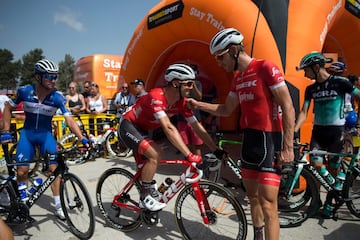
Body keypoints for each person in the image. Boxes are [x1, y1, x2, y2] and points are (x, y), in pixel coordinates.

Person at [187, 28, 295, 240]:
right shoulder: (238, 79)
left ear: (234, 50)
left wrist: (288, 147)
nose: (219, 63)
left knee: (268, 204)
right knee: (252, 198)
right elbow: (226, 110)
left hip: (269, 140)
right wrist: (197, 104)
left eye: (220, 57)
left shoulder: (265, 67)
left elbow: (288, 105)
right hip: (249, 141)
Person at [118, 63, 223, 212]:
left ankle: (146, 198)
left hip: (144, 130)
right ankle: (146, 195)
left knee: (147, 167)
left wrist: (215, 149)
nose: (192, 88)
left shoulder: (181, 103)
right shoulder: (157, 96)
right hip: (129, 125)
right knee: (155, 154)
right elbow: (168, 127)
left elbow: (197, 127)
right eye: (188, 84)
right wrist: (189, 154)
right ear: (175, 83)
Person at [0, 59, 90, 220]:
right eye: (49, 76)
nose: (53, 80)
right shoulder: (24, 91)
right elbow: (8, 107)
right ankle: (23, 204)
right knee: (22, 171)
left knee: (54, 170)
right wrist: (6, 130)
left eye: (55, 76)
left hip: (46, 136)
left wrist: (82, 138)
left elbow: (69, 120)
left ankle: (58, 204)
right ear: (38, 77)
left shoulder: (58, 97)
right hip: (27, 135)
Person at [294, 52, 360, 218]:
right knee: (316, 166)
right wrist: (294, 130)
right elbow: (303, 112)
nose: (305, 74)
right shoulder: (311, 89)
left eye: (306, 70)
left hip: (336, 132)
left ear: (316, 67)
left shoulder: (341, 82)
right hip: (318, 132)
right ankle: (317, 201)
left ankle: (330, 203)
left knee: (333, 169)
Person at [177, 64, 204, 156]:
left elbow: (199, 97)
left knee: (197, 145)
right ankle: (190, 165)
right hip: (182, 119)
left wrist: (193, 84)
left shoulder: (198, 83)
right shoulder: (181, 84)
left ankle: (198, 166)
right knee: (185, 145)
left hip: (195, 118)